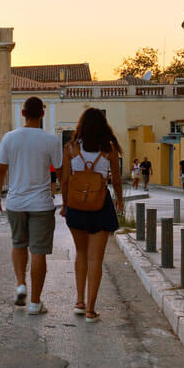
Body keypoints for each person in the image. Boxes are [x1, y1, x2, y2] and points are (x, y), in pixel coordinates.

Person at [0, 97, 62, 315]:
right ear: (43, 113)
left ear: (22, 114)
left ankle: (21, 284)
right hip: (41, 204)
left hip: (16, 203)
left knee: (18, 244)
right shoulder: (51, 141)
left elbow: (0, 171)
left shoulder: (9, 138)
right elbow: (60, 172)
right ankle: (35, 303)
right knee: (39, 252)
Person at [59, 108, 123, 322]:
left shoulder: (70, 148)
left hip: (76, 205)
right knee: (96, 258)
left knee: (81, 253)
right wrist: (120, 200)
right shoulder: (109, 149)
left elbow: (65, 180)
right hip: (100, 205)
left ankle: (79, 301)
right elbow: (116, 179)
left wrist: (64, 204)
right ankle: (91, 310)